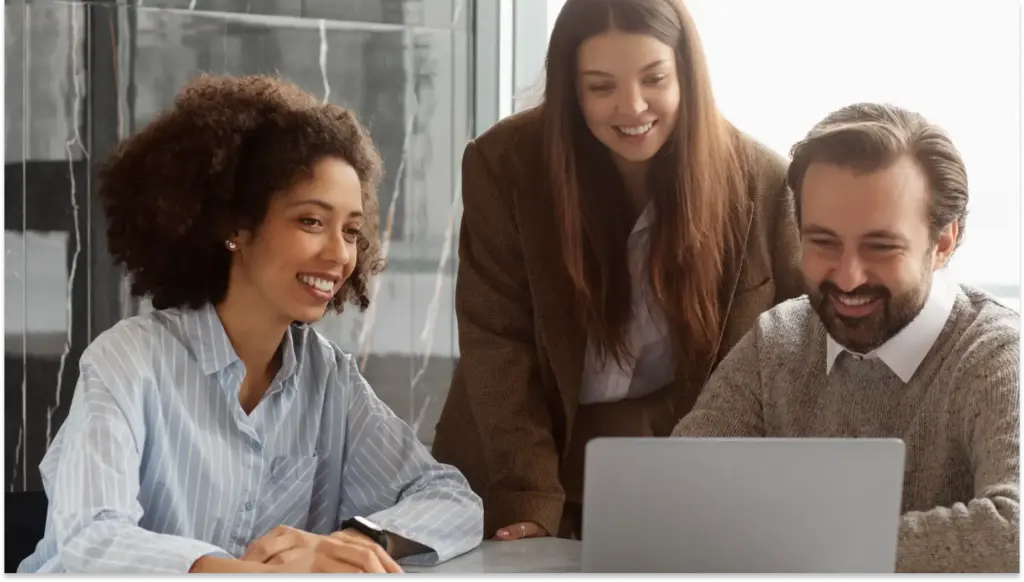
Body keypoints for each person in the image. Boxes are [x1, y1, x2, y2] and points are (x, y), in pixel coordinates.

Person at [18, 74, 483, 575]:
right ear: (234, 226)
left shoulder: (329, 379)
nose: (339, 253)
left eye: (351, 230)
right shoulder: (129, 361)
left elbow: (451, 499)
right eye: (311, 221)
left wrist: (358, 540)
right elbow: (90, 538)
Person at [431, 0, 804, 541]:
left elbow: (794, 350)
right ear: (569, 88)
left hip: (683, 481)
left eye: (654, 79)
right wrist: (525, 500)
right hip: (515, 467)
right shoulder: (503, 164)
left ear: (687, 74)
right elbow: (498, 343)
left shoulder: (766, 182)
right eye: (601, 86)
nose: (632, 106)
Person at [672, 103, 1020, 574]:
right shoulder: (778, 340)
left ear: (942, 243)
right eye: (823, 242)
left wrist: (807, 545)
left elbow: (1012, 532)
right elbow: (676, 491)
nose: (849, 277)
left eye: (880, 247)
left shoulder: (997, 356)